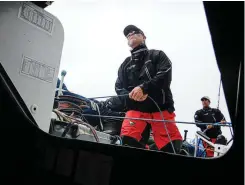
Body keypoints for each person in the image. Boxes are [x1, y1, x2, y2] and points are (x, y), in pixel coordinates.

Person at [115, 25, 183, 153]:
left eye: (135, 32)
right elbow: (118, 86)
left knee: (171, 146)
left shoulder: (158, 55)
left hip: (161, 107)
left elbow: (165, 73)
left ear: (144, 37)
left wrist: (144, 88)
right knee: (128, 141)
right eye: (128, 34)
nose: (130, 34)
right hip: (136, 109)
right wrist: (131, 96)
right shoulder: (125, 64)